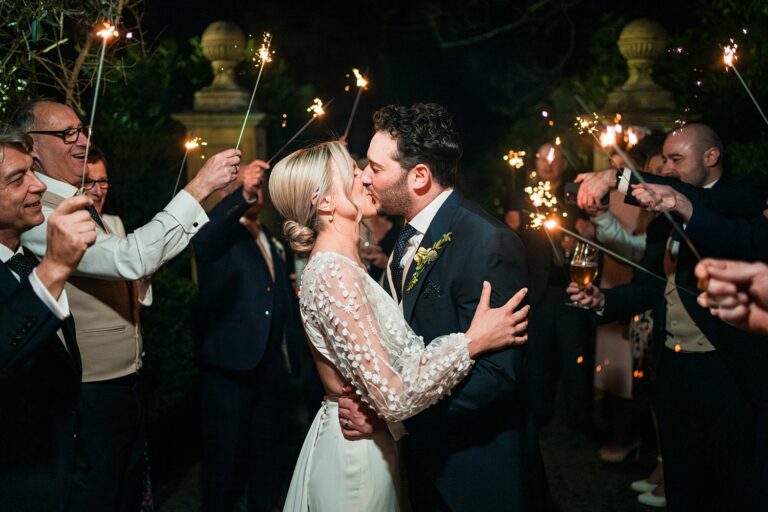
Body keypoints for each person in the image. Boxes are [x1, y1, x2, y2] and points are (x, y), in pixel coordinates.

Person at [269, 139, 530, 511]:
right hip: (356, 459)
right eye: (355, 171)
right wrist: (471, 342)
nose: (365, 178)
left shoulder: (349, 266)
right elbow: (392, 395)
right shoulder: (331, 274)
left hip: (381, 445)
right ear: (324, 201)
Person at [11, 99, 240, 511]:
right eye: (67, 134)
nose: (82, 140)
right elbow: (128, 259)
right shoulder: (40, 215)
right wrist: (200, 187)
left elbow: (132, 271)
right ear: (32, 147)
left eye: (82, 130)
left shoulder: (79, 202)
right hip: (88, 392)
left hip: (127, 385)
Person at [352, 103, 547, 512]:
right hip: (423, 461)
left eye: (375, 167)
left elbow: (498, 374)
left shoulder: (486, 241)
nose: (365, 177)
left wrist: (400, 416)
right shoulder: (408, 234)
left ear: (419, 176)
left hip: (475, 469)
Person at [569, 123, 765, 511]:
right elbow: (649, 288)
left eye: (677, 160)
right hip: (673, 367)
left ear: (711, 157)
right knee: (683, 477)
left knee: (730, 483)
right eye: (665, 161)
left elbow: (712, 215)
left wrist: (619, 177)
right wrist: (601, 300)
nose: (667, 169)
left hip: (725, 369)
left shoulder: (744, 195)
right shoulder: (662, 218)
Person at [0, 124, 97, 511]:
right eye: (17, 179)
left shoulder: (28, 264)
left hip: (64, 475)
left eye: (33, 173)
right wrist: (56, 267)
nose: (39, 187)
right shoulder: (44, 268)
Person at [192, 161, 298, 512]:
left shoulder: (268, 235)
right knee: (223, 462)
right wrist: (240, 194)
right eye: (242, 189)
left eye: (255, 189)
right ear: (227, 193)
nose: (254, 194)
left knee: (267, 460)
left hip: (269, 366)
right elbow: (203, 237)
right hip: (229, 368)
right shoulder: (216, 235)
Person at [505, 142, 596, 433]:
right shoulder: (523, 196)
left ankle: (579, 418)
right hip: (537, 288)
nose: (548, 164)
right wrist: (512, 227)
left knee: (575, 357)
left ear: (563, 164)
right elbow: (510, 242)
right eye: (543, 158)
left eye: (554, 159)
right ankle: (539, 415)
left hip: (570, 286)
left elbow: (593, 236)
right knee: (538, 357)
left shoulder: (575, 194)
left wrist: (582, 238)